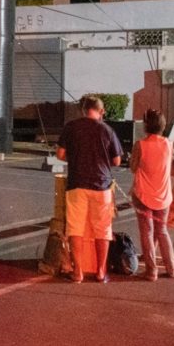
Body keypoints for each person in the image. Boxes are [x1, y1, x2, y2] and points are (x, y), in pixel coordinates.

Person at [57, 95, 123, 283]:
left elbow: (60, 154)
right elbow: (117, 160)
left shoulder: (71, 127)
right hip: (101, 186)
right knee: (102, 229)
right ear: (101, 111)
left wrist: (76, 159)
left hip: (77, 184)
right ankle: (101, 271)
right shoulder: (107, 130)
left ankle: (78, 272)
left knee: (75, 228)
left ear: (83, 110)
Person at [129, 109, 174, 281]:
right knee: (162, 231)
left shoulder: (140, 145)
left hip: (143, 195)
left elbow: (133, 168)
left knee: (147, 233)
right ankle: (171, 268)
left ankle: (151, 270)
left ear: (146, 125)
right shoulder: (168, 144)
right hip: (164, 195)